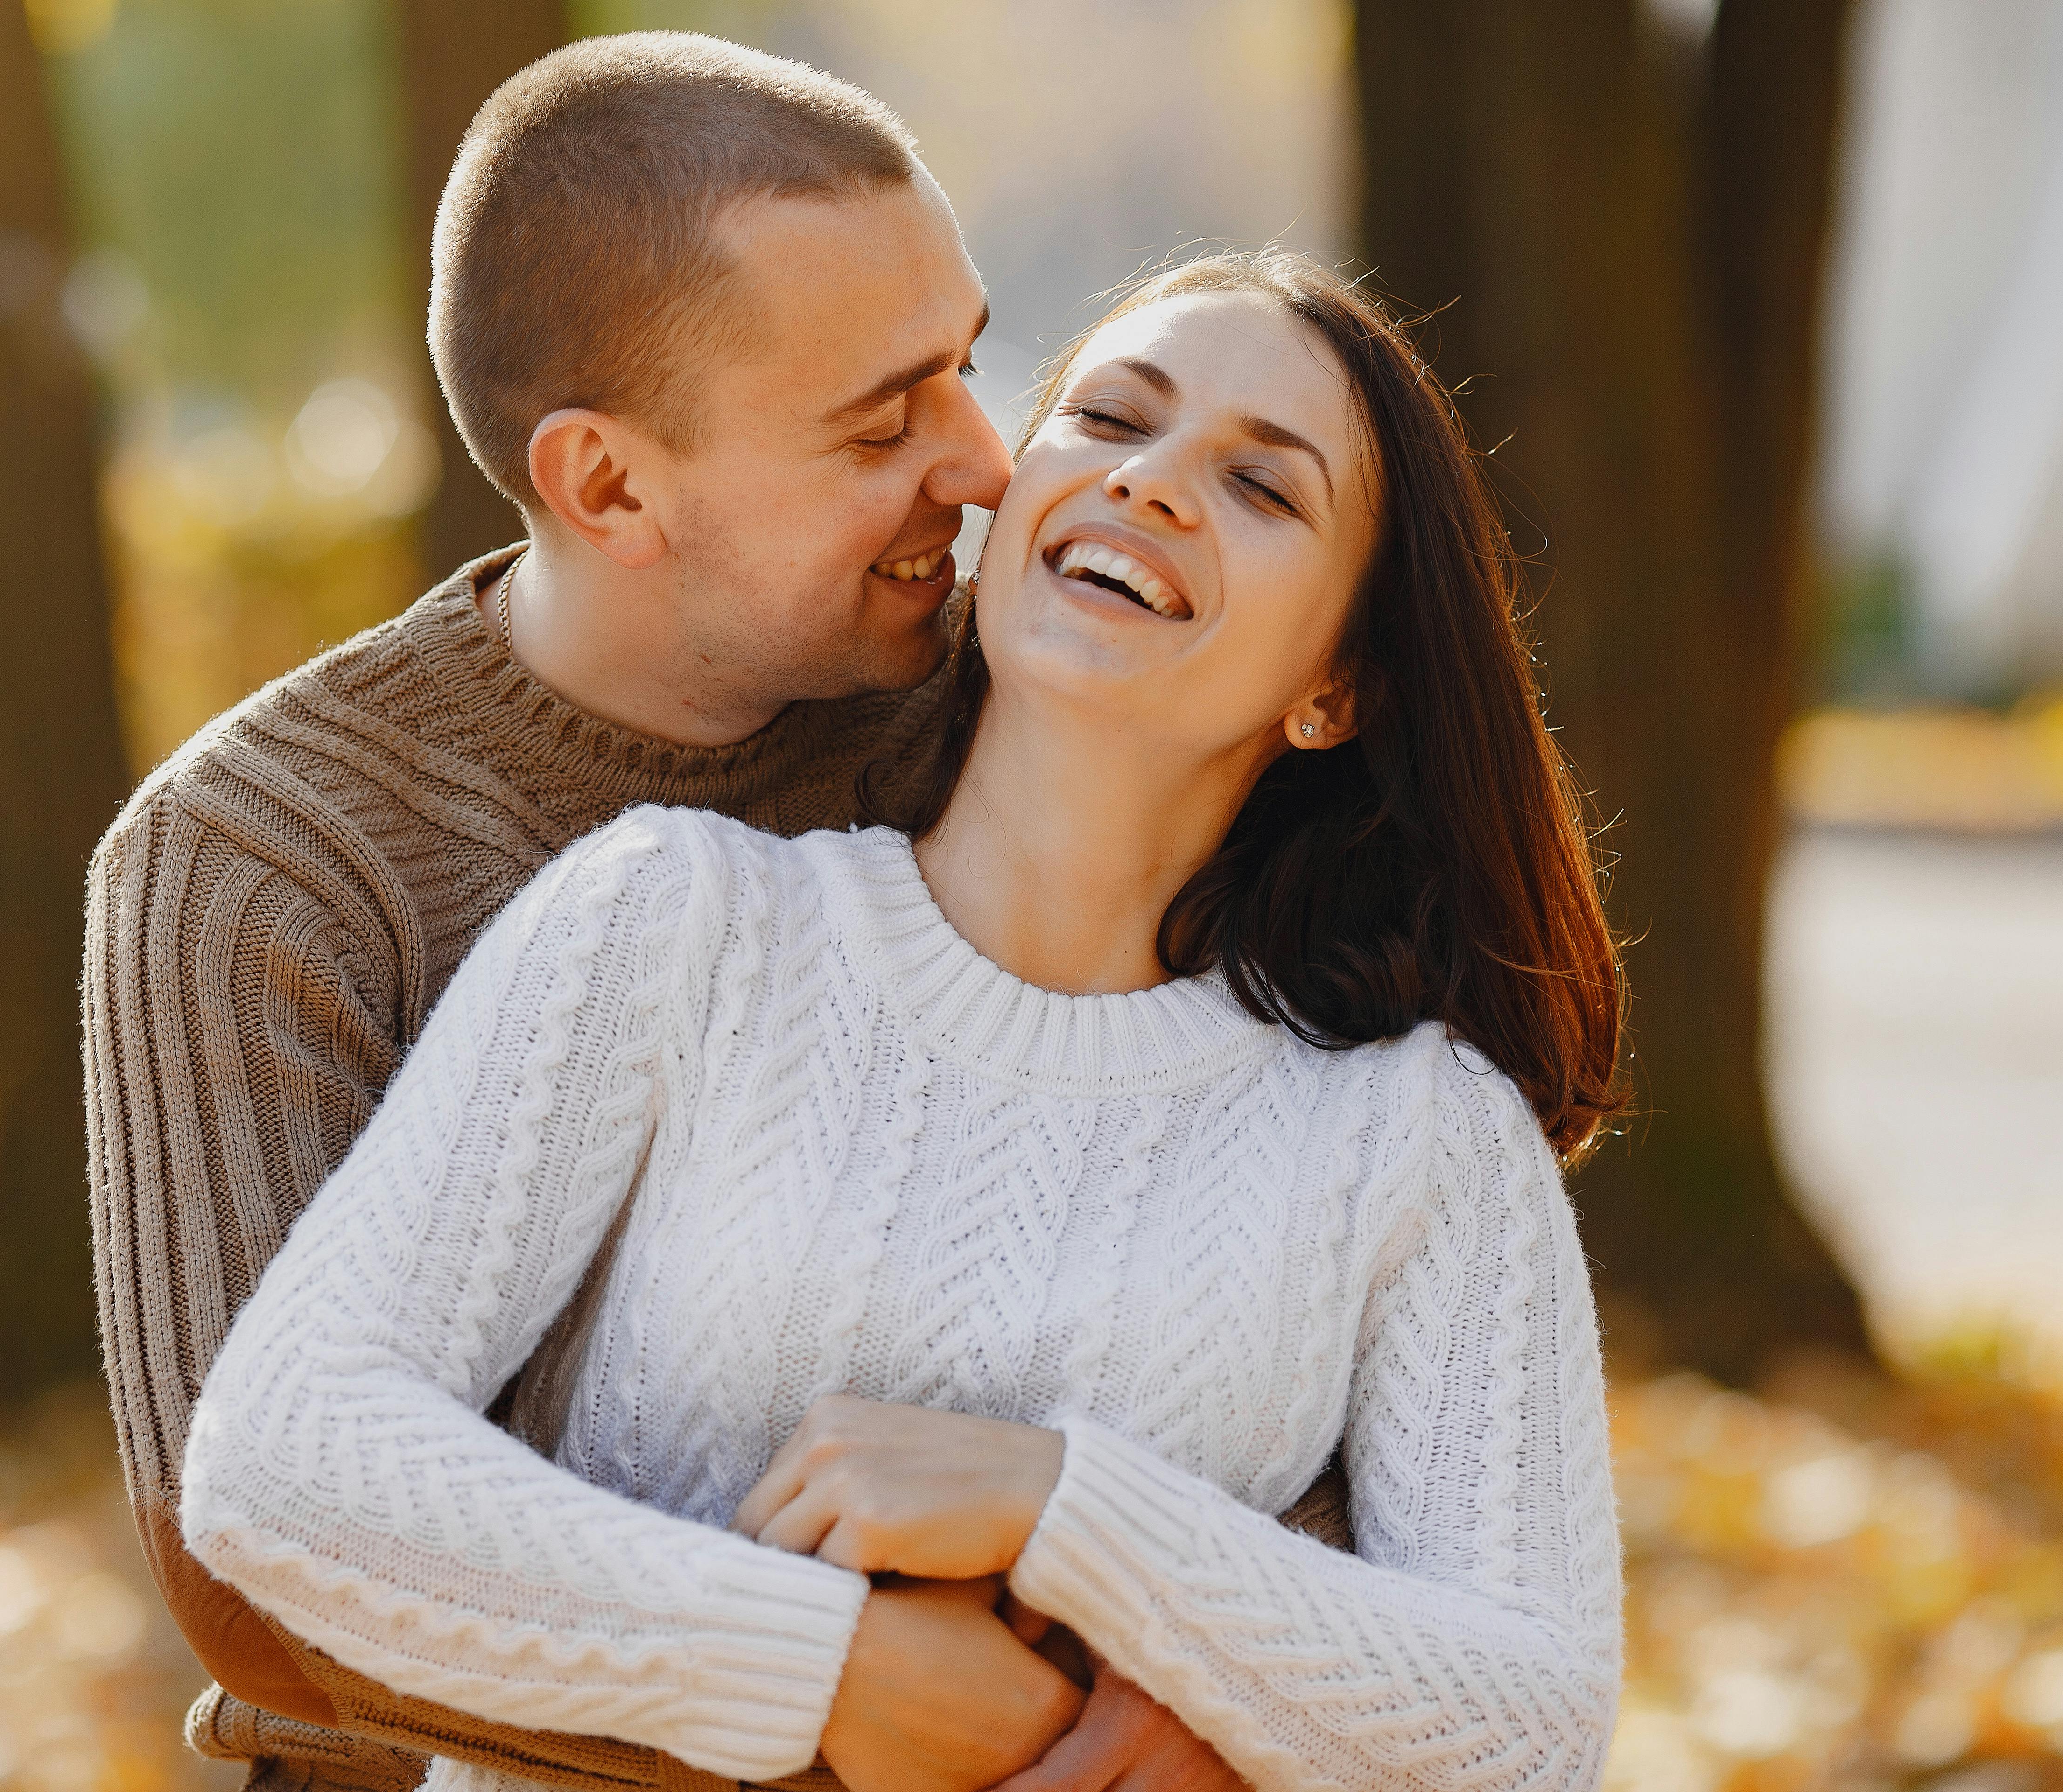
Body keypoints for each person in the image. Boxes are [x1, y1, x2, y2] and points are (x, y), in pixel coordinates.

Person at [177, 243, 1632, 1792]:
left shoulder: (1413, 1135)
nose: (1148, 484)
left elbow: (1532, 1724)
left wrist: (1067, 1511)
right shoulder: (683, 925)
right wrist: (822, 1668)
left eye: (1263, 488)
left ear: (1340, 687)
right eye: (1110, 419)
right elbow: (287, 1460)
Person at [83, 31, 1333, 1792]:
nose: (985, 461)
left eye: (970, 368)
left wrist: (1191, 1702)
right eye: (882, 418)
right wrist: (825, 1695)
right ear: (609, 486)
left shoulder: (1000, 723)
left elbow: (1297, 1219)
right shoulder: (264, 863)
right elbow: (246, 1574)